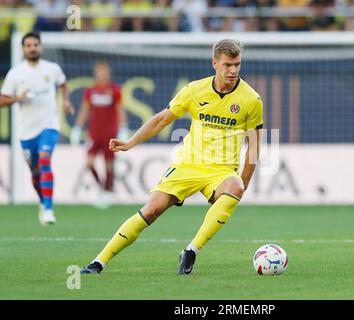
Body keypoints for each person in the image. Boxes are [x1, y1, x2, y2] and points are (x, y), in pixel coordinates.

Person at [80, 39, 263, 275]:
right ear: (214, 63)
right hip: (187, 165)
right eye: (228, 65)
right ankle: (98, 262)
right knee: (152, 210)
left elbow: (255, 146)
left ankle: (191, 251)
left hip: (221, 171)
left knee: (235, 187)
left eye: (237, 64)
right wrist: (130, 143)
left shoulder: (251, 99)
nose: (233, 70)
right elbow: (161, 119)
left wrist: (243, 185)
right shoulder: (194, 90)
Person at [0, 32, 74, 226]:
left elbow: (62, 83)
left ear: (40, 47)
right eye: (28, 45)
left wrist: (65, 100)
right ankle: (43, 202)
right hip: (26, 131)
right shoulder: (16, 74)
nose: (32, 48)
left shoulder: (52, 69)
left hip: (49, 126)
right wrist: (18, 99)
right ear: (23, 49)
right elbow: (3, 99)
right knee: (35, 173)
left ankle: (48, 209)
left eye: (35, 45)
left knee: (44, 160)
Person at [70, 60, 128, 209]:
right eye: (100, 72)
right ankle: (101, 188)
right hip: (94, 134)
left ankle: (107, 191)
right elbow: (85, 110)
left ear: (109, 74)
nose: (102, 75)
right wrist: (77, 128)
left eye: (105, 72)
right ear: (95, 74)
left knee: (108, 165)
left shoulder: (115, 90)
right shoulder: (90, 91)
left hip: (110, 134)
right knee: (89, 163)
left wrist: (123, 128)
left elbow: (120, 110)